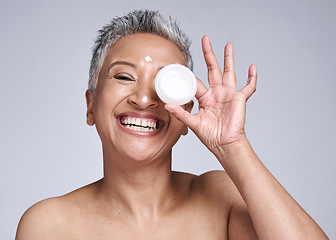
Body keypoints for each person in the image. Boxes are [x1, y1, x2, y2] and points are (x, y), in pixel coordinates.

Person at [16, 10, 328, 239]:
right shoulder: (49, 224)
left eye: (165, 84)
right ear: (91, 106)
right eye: (124, 77)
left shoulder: (219, 199)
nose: (143, 99)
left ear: (185, 117)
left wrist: (233, 146)